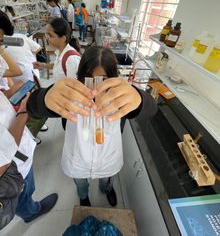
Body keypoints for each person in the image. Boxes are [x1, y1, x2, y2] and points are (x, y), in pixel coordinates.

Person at [28, 46, 157, 208]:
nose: (95, 88)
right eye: (88, 78)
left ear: (113, 78)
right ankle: (83, 197)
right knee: (81, 184)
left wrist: (138, 96)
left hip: (108, 160)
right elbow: (33, 107)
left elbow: (151, 109)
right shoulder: (71, 96)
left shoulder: (119, 100)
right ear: (81, 76)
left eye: (102, 79)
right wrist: (44, 97)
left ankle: (107, 189)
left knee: (106, 179)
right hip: (78, 160)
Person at [0, 0, 58, 227]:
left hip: (18, 150)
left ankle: (29, 206)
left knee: (28, 185)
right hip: (12, 166)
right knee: (24, 188)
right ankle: (30, 212)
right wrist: (23, 111)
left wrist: (6, 100)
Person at [33, 18, 81, 82]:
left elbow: (73, 87)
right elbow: (58, 66)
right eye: (47, 35)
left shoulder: (71, 59)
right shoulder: (60, 51)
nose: (47, 38)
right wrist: (43, 65)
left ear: (63, 38)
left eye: (50, 35)